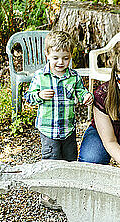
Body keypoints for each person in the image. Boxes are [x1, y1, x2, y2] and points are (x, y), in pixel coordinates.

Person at [25, 30, 93, 162]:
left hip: (68, 129)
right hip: (48, 129)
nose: (60, 62)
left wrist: (86, 96)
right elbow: (29, 97)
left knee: (70, 159)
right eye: (56, 58)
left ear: (71, 56)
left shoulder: (73, 76)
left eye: (65, 58)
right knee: (52, 160)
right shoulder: (40, 76)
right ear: (47, 54)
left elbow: (80, 91)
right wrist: (39, 95)